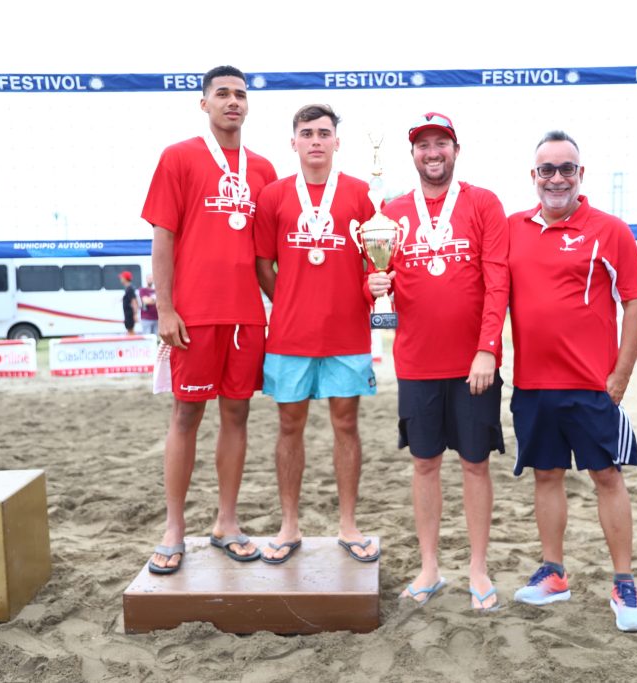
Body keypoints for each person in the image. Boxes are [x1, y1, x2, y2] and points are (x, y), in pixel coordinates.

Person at [506, 131, 637, 632]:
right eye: (547, 169)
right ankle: (554, 572)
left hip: (592, 385)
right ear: (534, 177)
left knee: (607, 476)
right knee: (546, 474)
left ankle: (624, 582)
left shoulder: (608, 230)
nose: (557, 178)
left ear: (580, 175)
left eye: (567, 168)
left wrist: (621, 375)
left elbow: (635, 300)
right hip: (532, 384)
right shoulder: (511, 230)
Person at [367, 112, 508, 610]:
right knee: (424, 463)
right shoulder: (390, 212)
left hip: (475, 364)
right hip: (416, 362)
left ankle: (477, 568)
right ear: (413, 155)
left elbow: (498, 281)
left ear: (455, 149)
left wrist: (488, 347)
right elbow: (374, 281)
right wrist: (373, 286)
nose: (432, 152)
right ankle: (430, 567)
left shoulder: (483, 203)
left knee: (475, 464)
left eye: (441, 143)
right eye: (424, 144)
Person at [140, 65, 278, 574]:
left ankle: (227, 521)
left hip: (246, 317)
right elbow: (163, 238)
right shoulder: (178, 157)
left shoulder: (263, 169)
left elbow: (266, 254)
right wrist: (166, 308)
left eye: (241, 94)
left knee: (238, 415)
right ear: (205, 104)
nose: (233, 102)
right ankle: (174, 527)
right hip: (193, 315)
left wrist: (283, 306)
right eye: (222, 94)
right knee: (185, 415)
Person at [253, 104, 379, 564]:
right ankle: (289, 524)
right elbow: (263, 264)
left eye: (324, 133)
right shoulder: (273, 196)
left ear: (336, 142)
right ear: (294, 143)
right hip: (289, 336)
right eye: (307, 133)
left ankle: (348, 524)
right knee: (290, 426)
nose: (316, 141)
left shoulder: (362, 195)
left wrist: (367, 290)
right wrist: (288, 298)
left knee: (346, 424)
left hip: (347, 335)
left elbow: (375, 263)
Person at [138, 272, 159, 337]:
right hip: (146, 318)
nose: (150, 280)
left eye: (151, 278)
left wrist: (151, 299)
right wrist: (155, 299)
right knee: (147, 338)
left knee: (156, 339)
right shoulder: (143, 290)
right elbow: (146, 301)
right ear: (146, 279)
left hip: (156, 318)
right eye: (149, 278)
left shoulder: (156, 290)